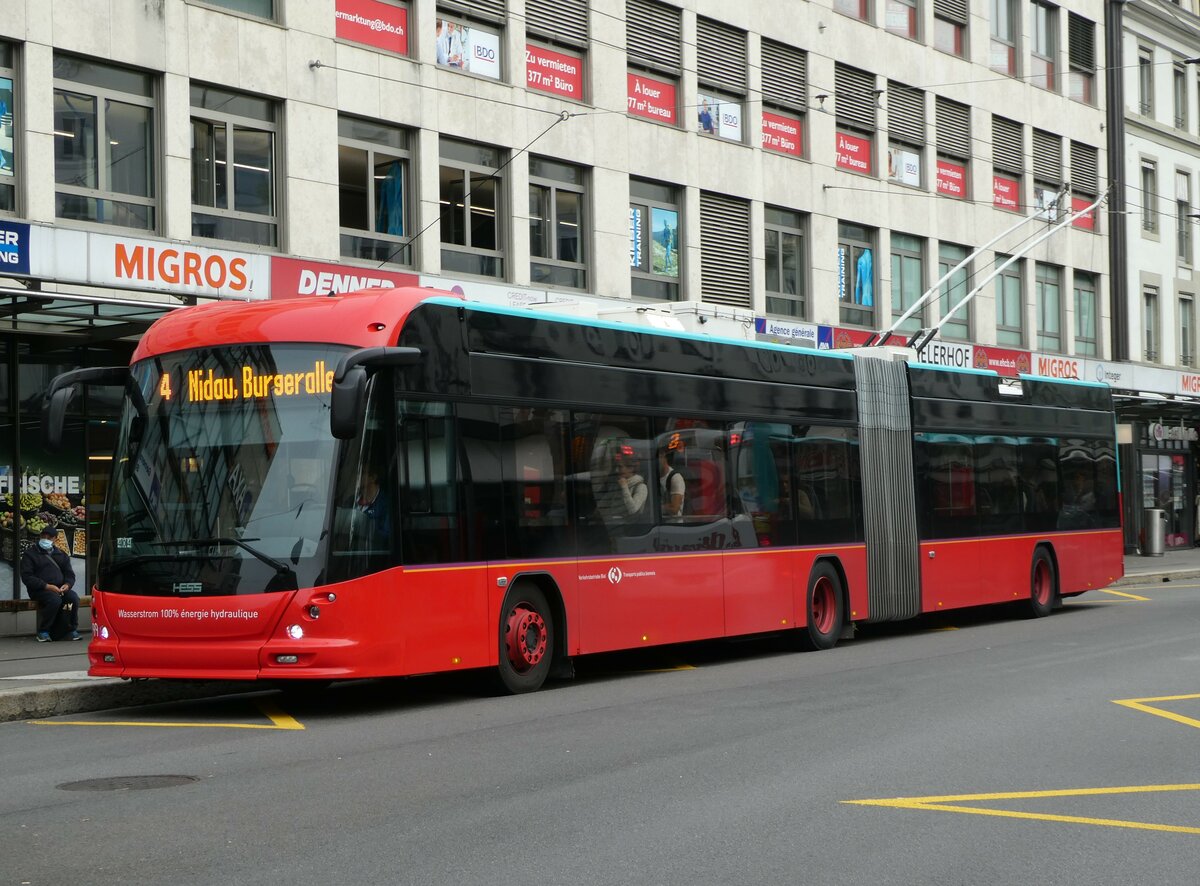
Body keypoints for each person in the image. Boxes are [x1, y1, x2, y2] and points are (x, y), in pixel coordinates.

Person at [21, 526, 80, 642]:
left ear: (55, 539)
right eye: (43, 536)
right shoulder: (30, 554)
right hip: (39, 590)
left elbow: (70, 574)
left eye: (49, 537)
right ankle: (44, 631)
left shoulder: (61, 554)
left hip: (60, 589)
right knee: (54, 600)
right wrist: (46, 586)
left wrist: (67, 585)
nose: (46, 539)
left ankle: (71, 629)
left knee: (73, 598)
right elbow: (27, 577)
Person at [659, 449, 685, 520]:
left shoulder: (675, 477)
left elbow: (674, 508)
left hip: (673, 525)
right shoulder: (652, 478)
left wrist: (654, 509)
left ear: (663, 456)